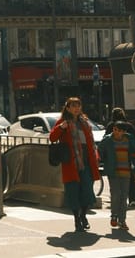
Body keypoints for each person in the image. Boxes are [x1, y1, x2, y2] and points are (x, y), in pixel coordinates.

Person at [49, 96, 101, 232]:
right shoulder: (62, 122)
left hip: (86, 161)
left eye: (78, 105)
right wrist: (61, 128)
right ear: (67, 108)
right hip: (71, 162)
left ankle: (83, 215)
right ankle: (77, 220)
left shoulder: (84, 122)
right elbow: (52, 137)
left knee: (87, 190)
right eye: (73, 106)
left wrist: (95, 156)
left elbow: (91, 142)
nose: (77, 108)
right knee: (73, 191)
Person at [98, 120, 135, 231]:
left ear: (124, 131)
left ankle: (122, 220)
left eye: (120, 131)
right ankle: (114, 215)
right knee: (115, 194)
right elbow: (99, 152)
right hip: (113, 172)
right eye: (115, 130)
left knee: (124, 197)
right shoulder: (108, 140)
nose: (117, 133)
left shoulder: (129, 139)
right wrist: (104, 162)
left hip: (126, 172)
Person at [105, 107, 135, 207]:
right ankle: (134, 198)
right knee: (131, 176)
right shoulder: (129, 126)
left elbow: (107, 140)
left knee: (116, 177)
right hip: (128, 155)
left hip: (114, 155)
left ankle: (118, 198)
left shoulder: (111, 126)